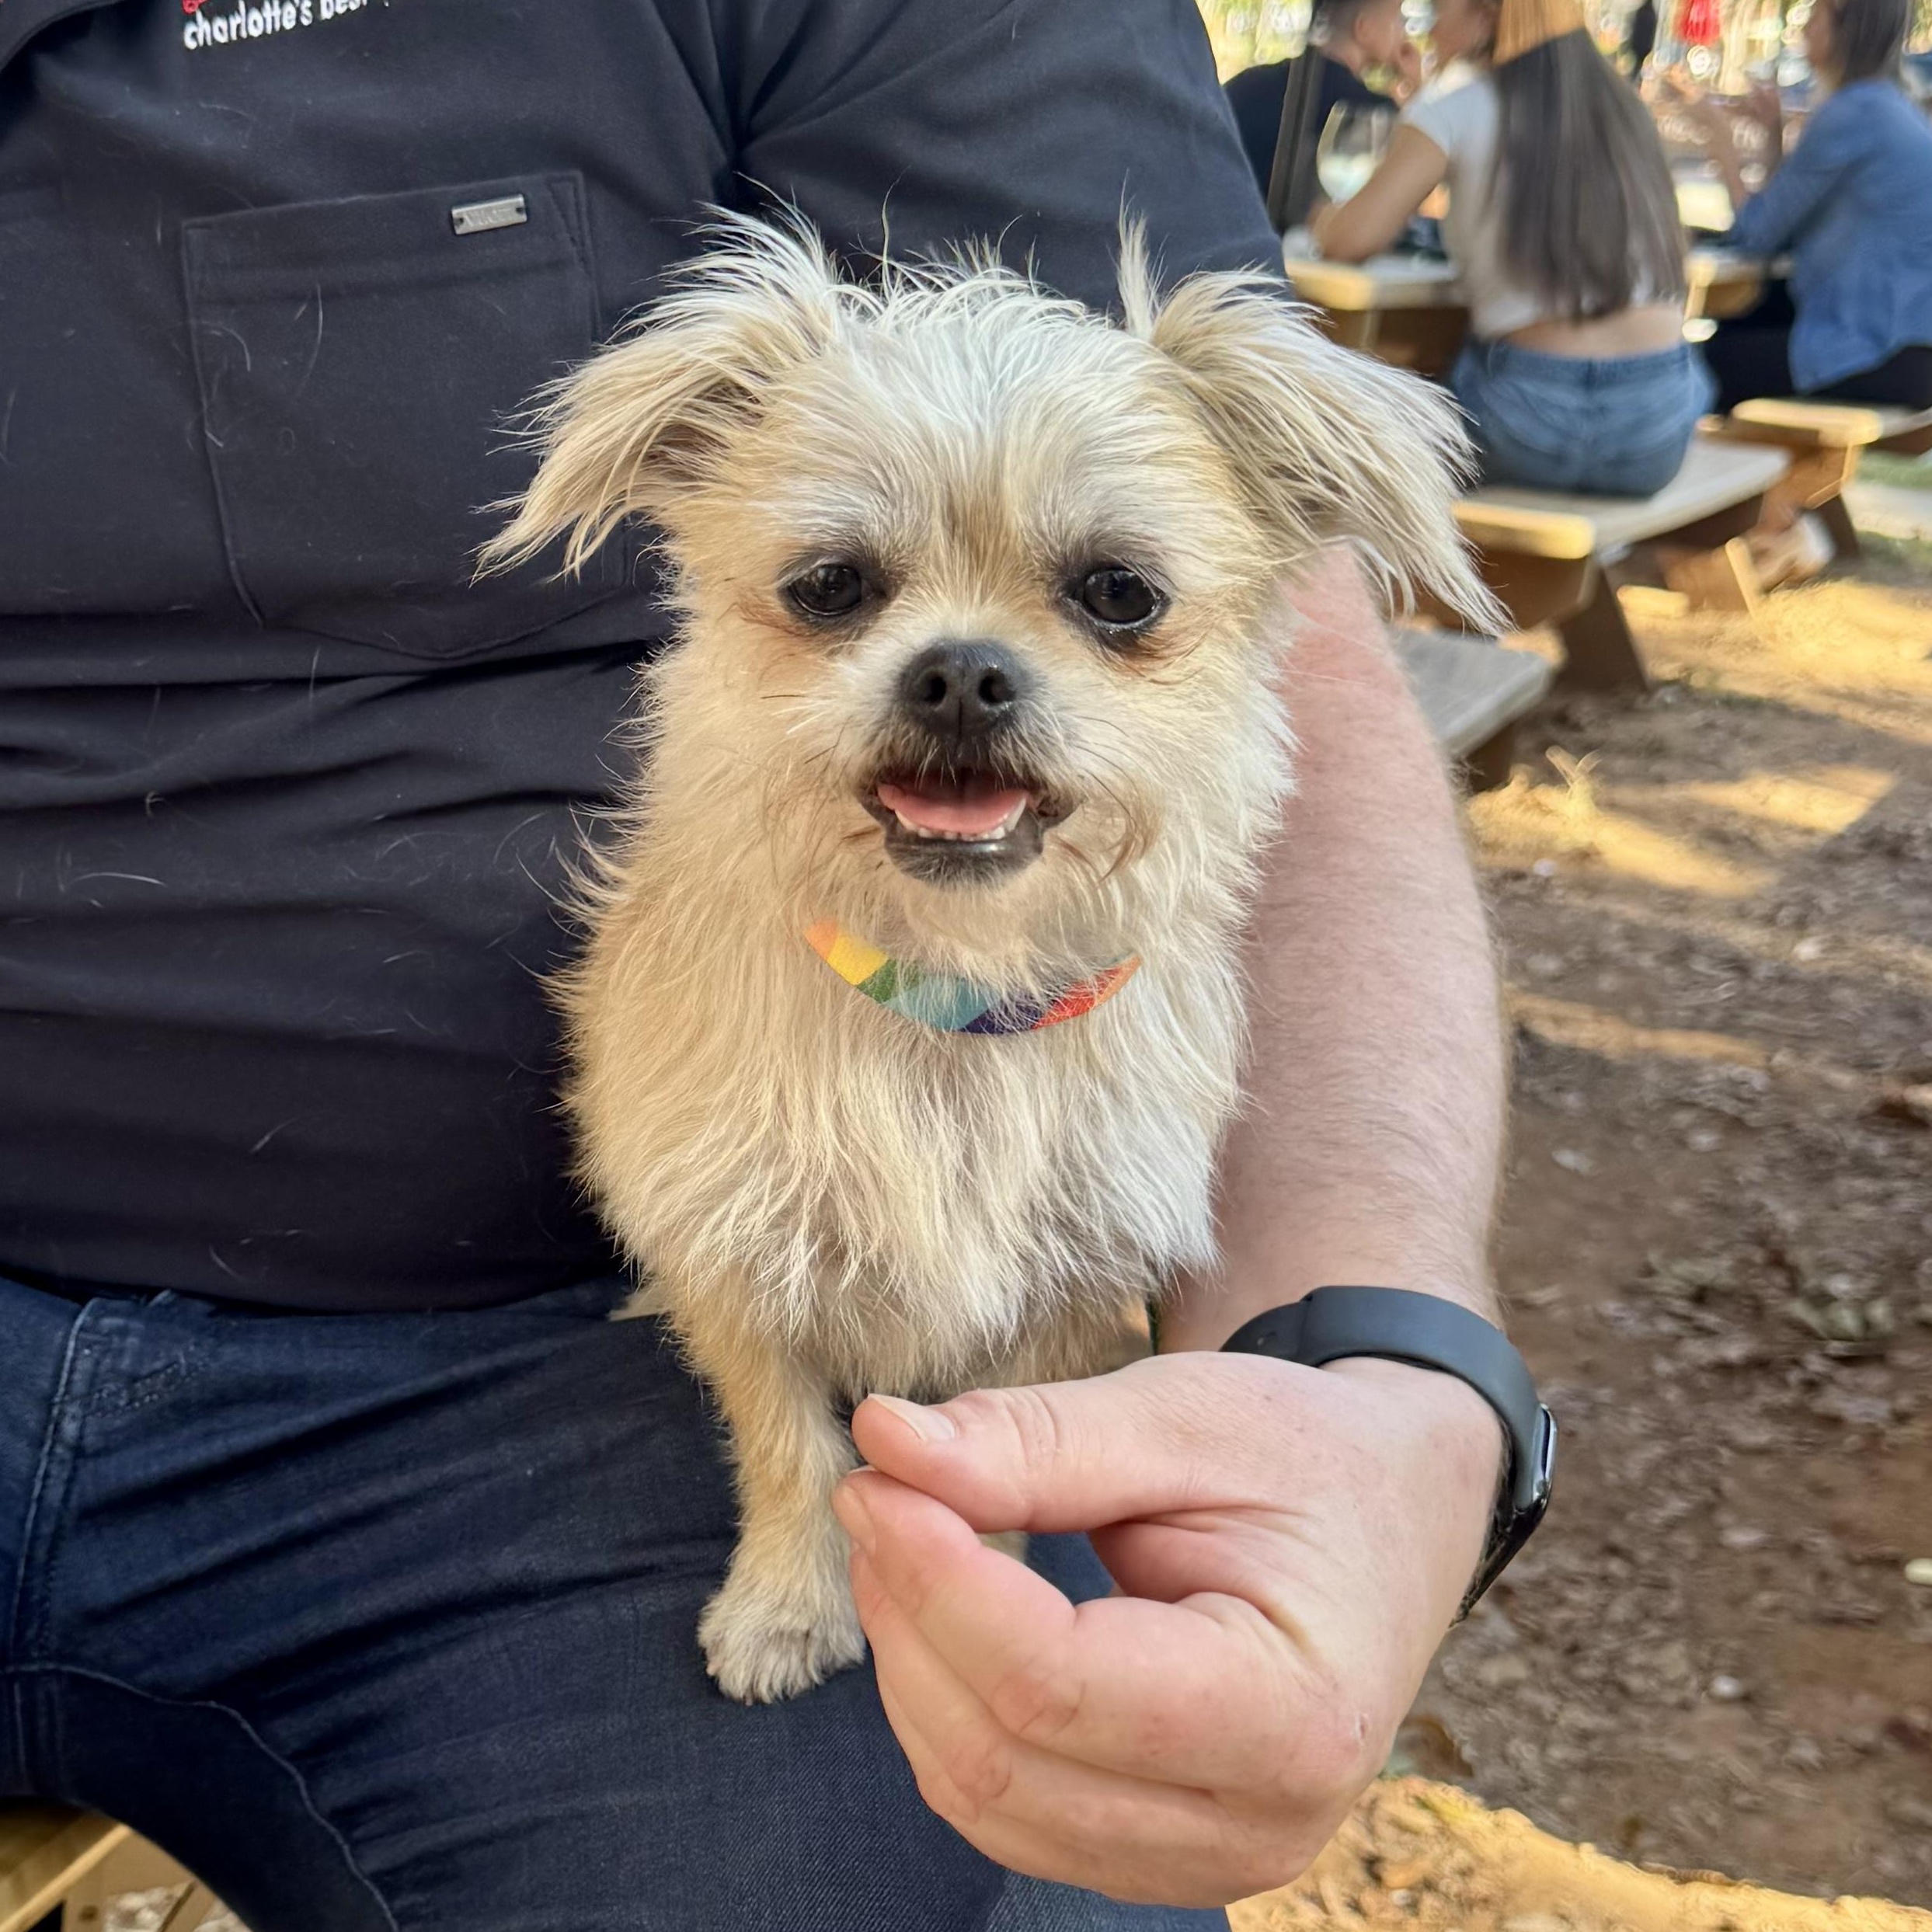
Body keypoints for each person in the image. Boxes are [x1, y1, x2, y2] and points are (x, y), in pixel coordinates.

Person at [0, 1, 1511, 1927]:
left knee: (992, 1853)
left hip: (531, 1375)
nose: (962, 672)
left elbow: (1316, 684)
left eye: (1110, 598)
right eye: (836, 587)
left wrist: (1366, 1345)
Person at [1314, 0, 1714, 496]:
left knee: (1348, 437)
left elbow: (1348, 240)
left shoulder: (1455, 105)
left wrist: (1322, 217)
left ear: (1487, 16)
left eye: (1439, 9)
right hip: (1655, 430)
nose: (1428, 29)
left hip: (1525, 420)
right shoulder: (1624, 109)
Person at [1696, 0, 1932, 414]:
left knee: (1697, 368)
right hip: (1907, 349)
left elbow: (1755, 237)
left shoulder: (1852, 111)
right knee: (1740, 327)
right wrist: (1773, 136)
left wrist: (1723, 149)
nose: (1803, 27)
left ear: (1846, 27)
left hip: (1871, 350)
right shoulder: (1887, 104)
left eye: (1815, 15)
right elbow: (1785, 223)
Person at [1224, 0, 1422, 221]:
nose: (1405, 33)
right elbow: (1401, 201)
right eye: (1398, 19)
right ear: (1364, 29)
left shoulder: (1246, 85)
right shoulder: (1374, 114)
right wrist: (1418, 93)